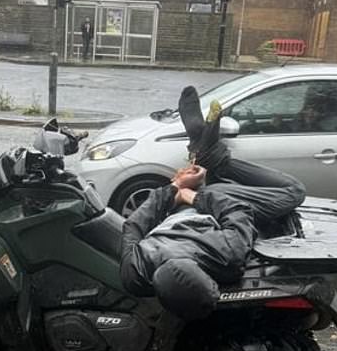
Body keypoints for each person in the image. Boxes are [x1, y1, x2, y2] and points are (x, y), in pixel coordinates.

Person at [120, 86, 306, 321]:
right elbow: (134, 224)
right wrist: (175, 189)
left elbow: (237, 211)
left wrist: (190, 194)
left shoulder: (227, 257)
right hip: (179, 206)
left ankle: (216, 160)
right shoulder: (136, 272)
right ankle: (206, 155)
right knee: (220, 184)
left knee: (293, 191)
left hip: (207, 203)